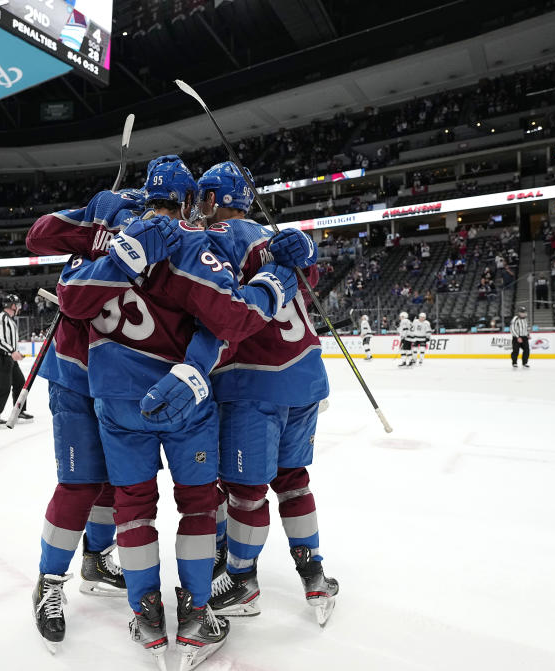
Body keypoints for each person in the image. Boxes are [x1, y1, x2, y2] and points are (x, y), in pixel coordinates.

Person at [57, 156, 297, 671]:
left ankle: (146, 614)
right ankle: (194, 618)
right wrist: (278, 278)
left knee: (133, 506)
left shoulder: (110, 234)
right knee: (196, 505)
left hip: (116, 402)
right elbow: (233, 318)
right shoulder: (193, 242)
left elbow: (68, 296)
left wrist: (110, 241)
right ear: (191, 201)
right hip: (183, 398)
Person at [160, 162, 337, 626]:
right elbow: (307, 280)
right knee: (294, 479)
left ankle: (242, 581)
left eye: (202, 200)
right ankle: (313, 572)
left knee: (245, 493)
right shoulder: (271, 238)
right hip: (306, 376)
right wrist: (309, 255)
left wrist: (194, 367)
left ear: (213, 201)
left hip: (254, 383)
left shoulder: (219, 240)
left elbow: (222, 317)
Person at [23, 187, 150, 651]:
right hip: (76, 377)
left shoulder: (157, 233)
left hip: (120, 382)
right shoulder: (92, 239)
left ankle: (96, 559)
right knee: (79, 482)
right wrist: (96, 228)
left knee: (115, 483)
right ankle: (49, 580)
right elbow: (39, 235)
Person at [0, 293, 33, 425]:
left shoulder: (9, 319)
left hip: (9, 358)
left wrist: (15, 352)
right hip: (1, 357)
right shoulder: (2, 318)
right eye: (17, 305)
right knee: (2, 387)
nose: (19, 307)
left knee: (20, 383)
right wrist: (13, 351)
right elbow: (0, 340)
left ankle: (19, 412)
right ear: (12, 305)